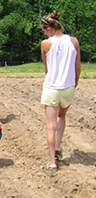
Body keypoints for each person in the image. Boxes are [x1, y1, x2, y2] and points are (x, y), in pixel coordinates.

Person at [40, 11, 81, 172]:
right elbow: (78, 67)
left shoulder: (46, 44)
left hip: (52, 87)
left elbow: (46, 69)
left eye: (44, 30)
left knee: (50, 126)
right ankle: (58, 146)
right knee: (61, 116)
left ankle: (52, 163)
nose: (44, 33)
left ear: (49, 29)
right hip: (68, 87)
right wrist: (74, 83)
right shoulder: (74, 41)